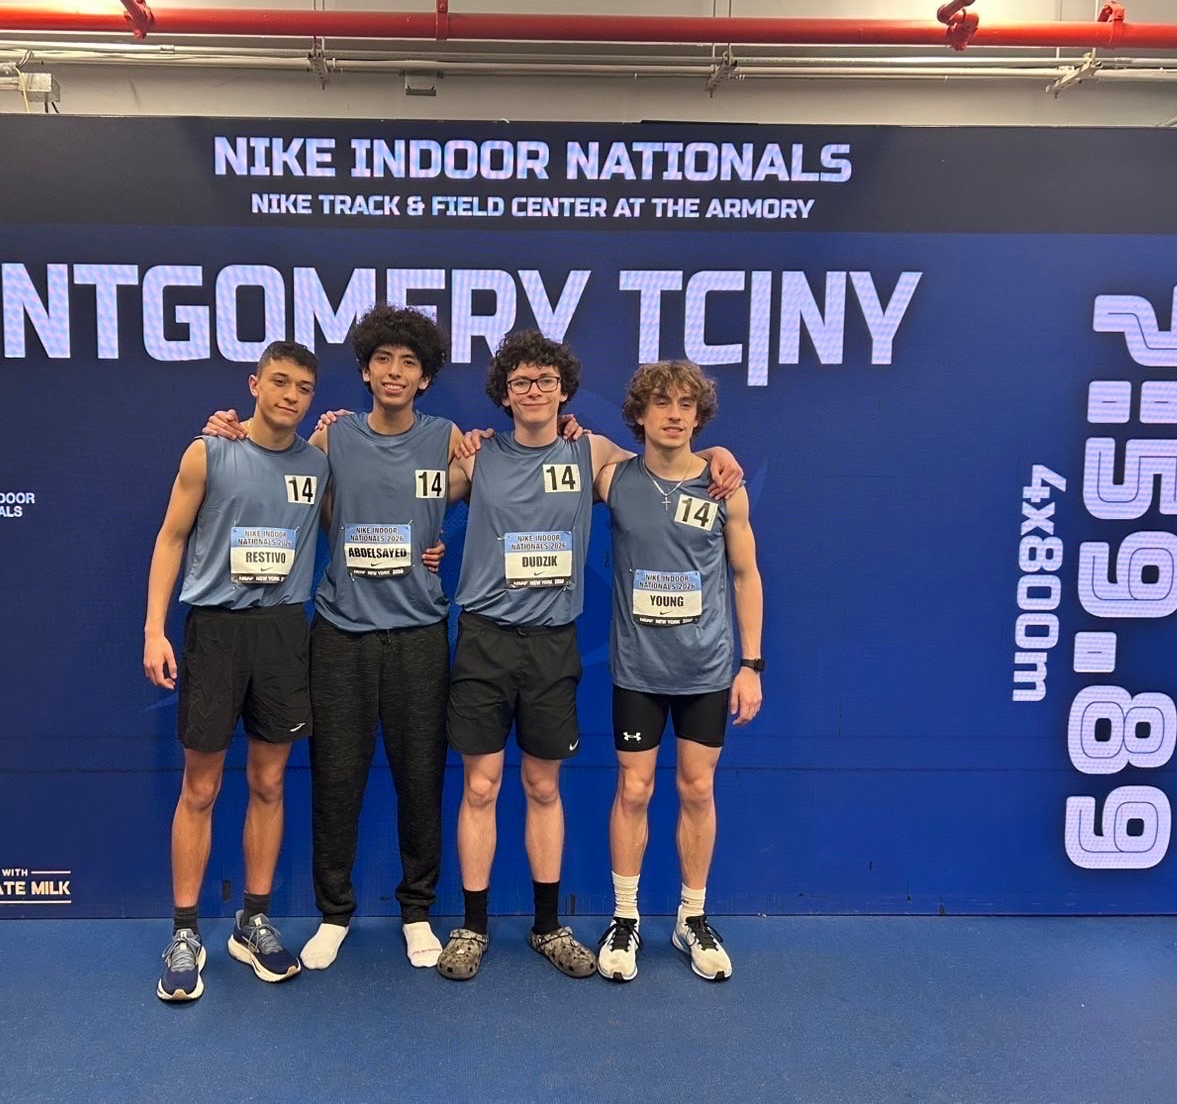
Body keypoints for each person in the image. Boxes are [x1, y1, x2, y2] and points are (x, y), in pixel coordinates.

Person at [435, 334, 742, 982]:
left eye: (546, 380)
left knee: (543, 786)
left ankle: (548, 927)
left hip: (552, 642)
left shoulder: (591, 452)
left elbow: (668, 466)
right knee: (480, 786)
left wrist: (719, 454)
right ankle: (472, 928)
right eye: (521, 382)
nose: (535, 391)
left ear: (564, 390)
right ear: (504, 395)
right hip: (486, 639)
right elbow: (407, 494)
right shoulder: (477, 456)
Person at [204, 306, 463, 971]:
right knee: (336, 780)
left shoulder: (447, 438)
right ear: (366, 371)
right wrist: (226, 430)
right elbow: (274, 470)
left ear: (425, 378)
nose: (395, 372)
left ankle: (416, 911)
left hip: (419, 633)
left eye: (409, 363)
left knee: (420, 779)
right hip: (342, 633)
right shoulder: (330, 437)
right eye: (383, 360)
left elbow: (508, 482)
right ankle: (335, 913)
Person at [143, 340, 327, 1002]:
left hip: (282, 631)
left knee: (270, 782)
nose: (290, 395)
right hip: (215, 631)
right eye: (279, 381)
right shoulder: (209, 450)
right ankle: (185, 933)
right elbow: (171, 537)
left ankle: (253, 922)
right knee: (200, 787)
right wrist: (153, 630)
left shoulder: (317, 461)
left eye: (303, 388)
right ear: (254, 384)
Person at [590, 361, 763, 983]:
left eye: (687, 404)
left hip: (706, 670)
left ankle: (692, 918)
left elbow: (745, 575)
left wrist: (751, 664)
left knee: (696, 789)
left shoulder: (724, 488)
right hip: (638, 670)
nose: (674, 414)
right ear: (639, 414)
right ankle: (625, 918)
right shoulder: (613, 477)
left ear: (699, 416)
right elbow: (558, 443)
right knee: (634, 790)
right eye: (661, 402)